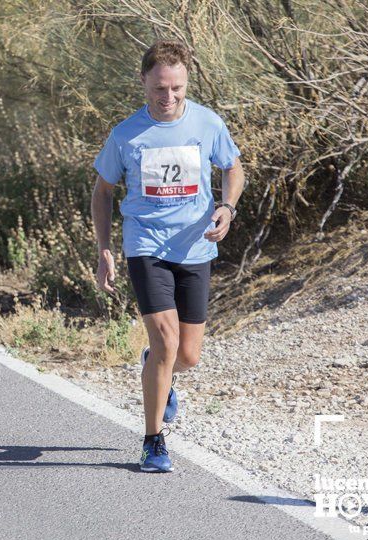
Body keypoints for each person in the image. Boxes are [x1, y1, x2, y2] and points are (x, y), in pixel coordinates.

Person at [91, 40, 245, 473]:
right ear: (143, 83)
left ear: (187, 83)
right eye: (160, 88)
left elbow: (234, 169)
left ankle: (156, 368)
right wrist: (104, 249)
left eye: (176, 88)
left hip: (196, 245)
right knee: (165, 341)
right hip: (146, 246)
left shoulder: (208, 123)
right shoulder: (125, 134)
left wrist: (227, 207)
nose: (168, 97)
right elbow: (102, 192)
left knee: (188, 356)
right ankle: (153, 441)